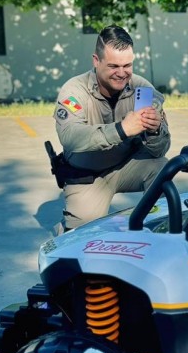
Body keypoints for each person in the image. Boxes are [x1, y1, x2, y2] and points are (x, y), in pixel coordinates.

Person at [53, 24, 170, 230]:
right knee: (80, 236)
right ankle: (67, 226)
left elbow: (159, 150)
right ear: (96, 61)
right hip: (87, 176)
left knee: (162, 166)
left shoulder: (142, 89)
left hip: (126, 167)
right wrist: (121, 129)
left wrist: (154, 132)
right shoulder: (74, 90)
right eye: (114, 66)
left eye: (127, 65)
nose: (122, 73)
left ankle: (159, 228)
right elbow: (70, 136)